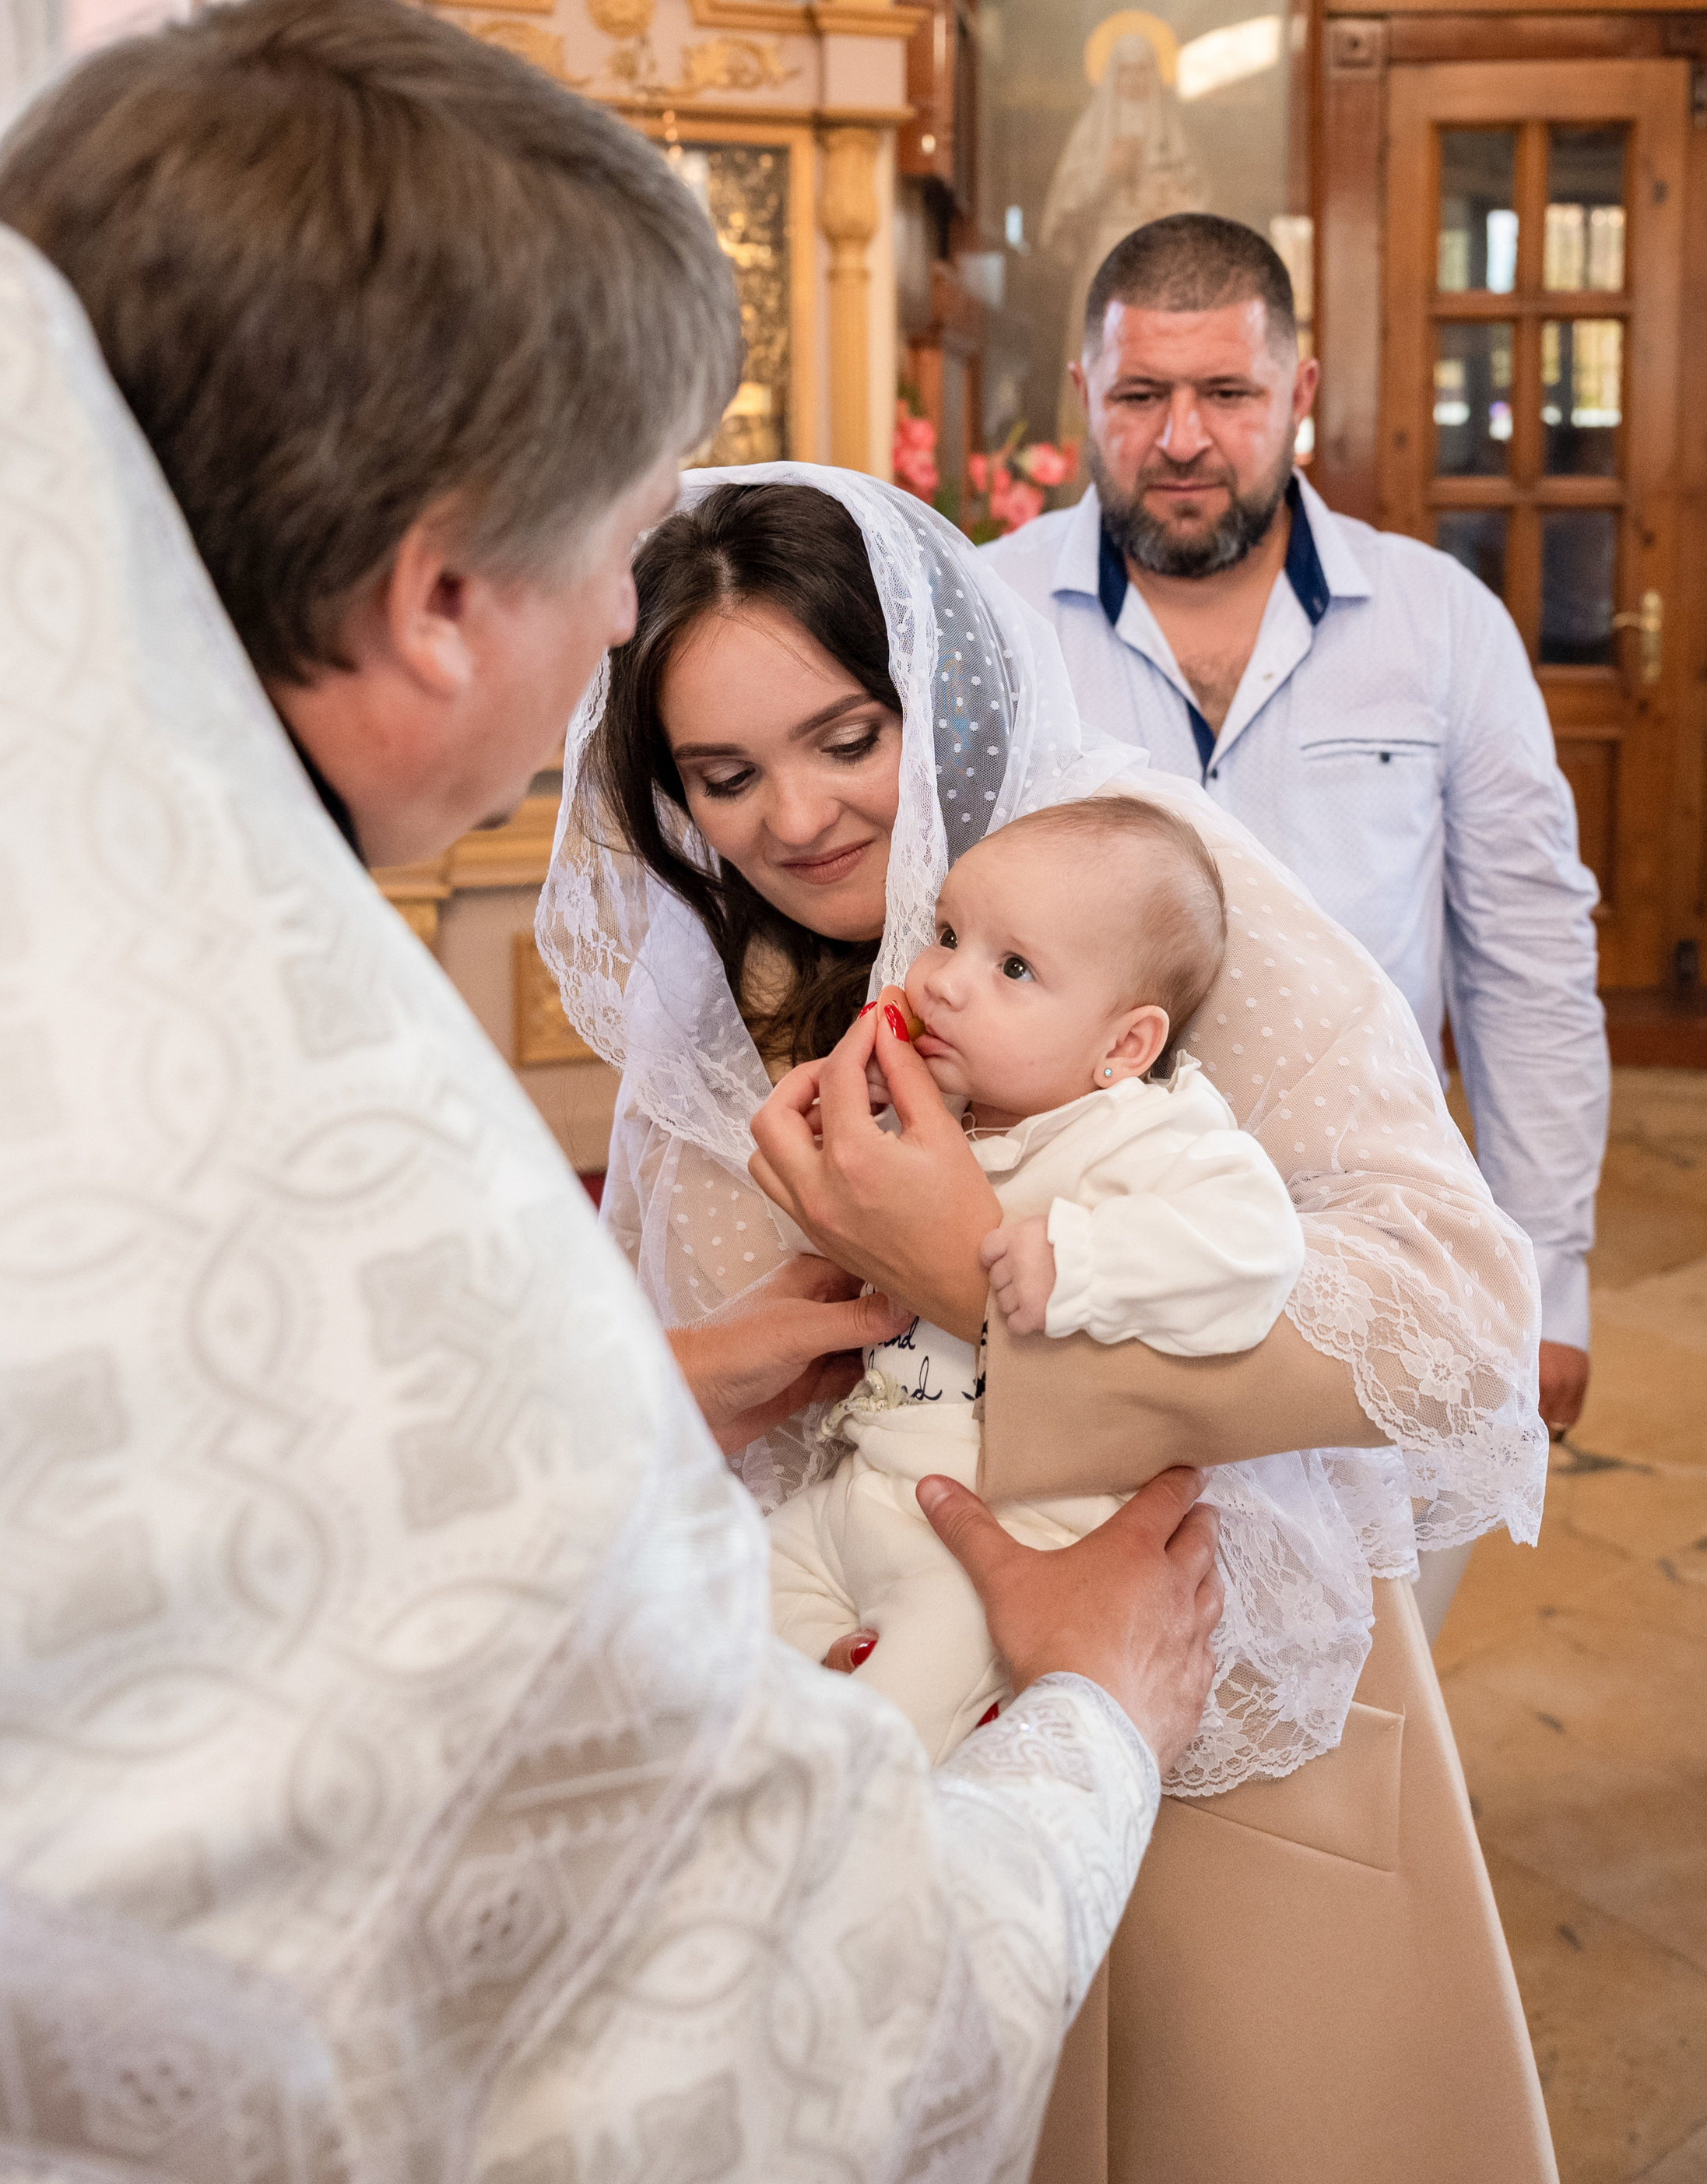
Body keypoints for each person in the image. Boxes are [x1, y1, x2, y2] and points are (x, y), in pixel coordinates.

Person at [0, 12, 1228, 2182]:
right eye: (620, 545)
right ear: (438, 598)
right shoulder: (365, 1223)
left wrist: (663, 1372)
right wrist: (1094, 1718)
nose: (627, 605)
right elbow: (788, 2059)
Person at [543, 466, 1559, 2181]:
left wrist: (971, 1267)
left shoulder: (1129, 881)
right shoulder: (697, 1001)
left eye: (844, 734)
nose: (794, 816)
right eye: (725, 775)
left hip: (1201, 1714)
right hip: (863, 1731)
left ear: (931, 689)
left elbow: (1458, 1318)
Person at [981, 214, 1608, 1630]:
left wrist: (1546, 1277)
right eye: (1143, 397)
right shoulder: (994, 619)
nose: (1184, 437)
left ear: (1299, 396)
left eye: (1229, 395)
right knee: (1092, 1672)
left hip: (1366, 1249)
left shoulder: (1442, 627)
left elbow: (1528, 970)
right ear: (1086, 398)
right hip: (1079, 1255)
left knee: (1365, 1699)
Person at [770, 799, 1308, 1766]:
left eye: (1012, 968)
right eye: (946, 936)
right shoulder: (953, 1114)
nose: (942, 983)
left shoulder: (1144, 1132)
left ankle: (867, 1871)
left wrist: (1084, 1263)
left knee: (885, 1731)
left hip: (1005, 1538)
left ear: (1124, 1048)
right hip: (858, 1494)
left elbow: (1257, 1248)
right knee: (721, 1612)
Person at [1038, 26, 1205, 453]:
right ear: (1112, 75)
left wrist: (1170, 203)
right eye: (1126, 71)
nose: (1134, 80)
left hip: (1162, 266)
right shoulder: (1091, 135)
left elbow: (1202, 208)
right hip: (1105, 258)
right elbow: (1060, 215)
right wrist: (1106, 175)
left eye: (1143, 70)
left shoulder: (1175, 134)